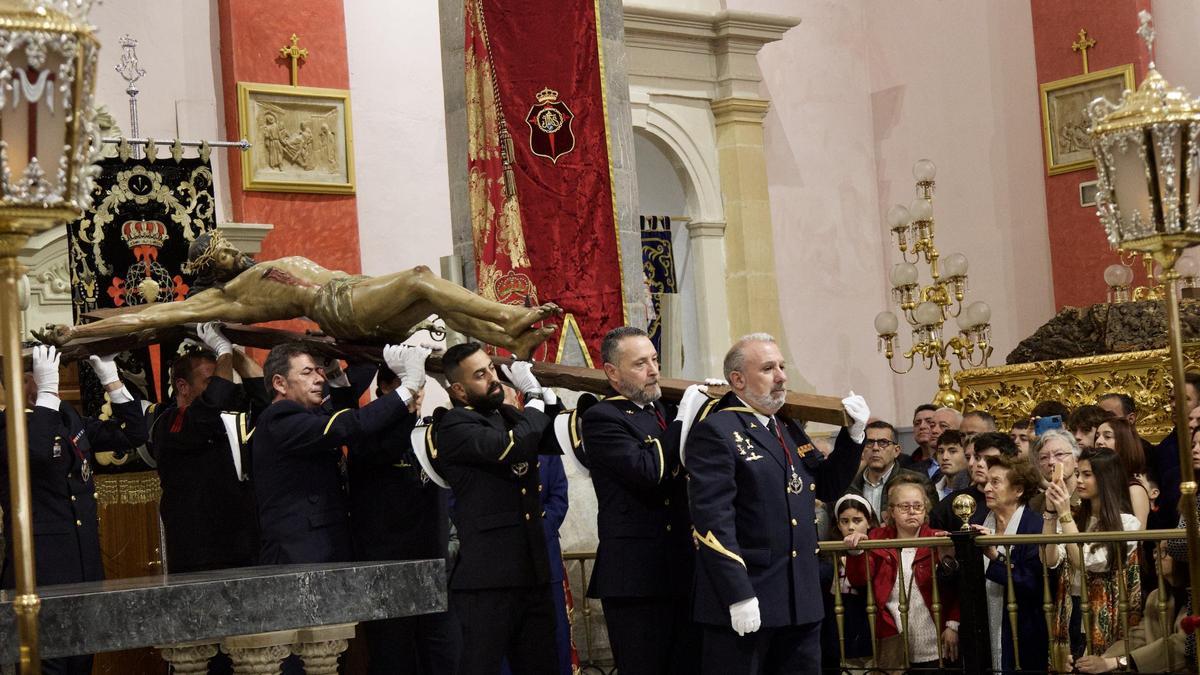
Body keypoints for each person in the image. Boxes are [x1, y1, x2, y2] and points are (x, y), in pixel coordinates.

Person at [40, 230, 562, 359]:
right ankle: (510, 316)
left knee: (430, 300)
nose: (231, 253)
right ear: (208, 269)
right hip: (339, 306)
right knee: (422, 277)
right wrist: (78, 332)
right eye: (219, 254)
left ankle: (507, 340)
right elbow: (147, 316)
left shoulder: (255, 269)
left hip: (353, 293)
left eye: (226, 247)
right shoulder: (221, 299)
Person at [685, 333, 870, 675]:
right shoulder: (718, 431)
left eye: (782, 366)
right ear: (738, 380)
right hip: (748, 597)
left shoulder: (785, 426)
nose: (782, 376)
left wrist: (853, 437)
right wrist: (738, 594)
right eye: (768, 368)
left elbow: (826, 485)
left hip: (800, 599)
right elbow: (714, 522)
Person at [0, 346, 148, 675]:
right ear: (24, 381)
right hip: (40, 574)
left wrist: (111, 380)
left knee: (82, 659)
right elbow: (36, 453)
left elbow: (133, 434)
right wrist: (48, 394)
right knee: (47, 664)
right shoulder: (7, 427)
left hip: (84, 567)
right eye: (41, 374)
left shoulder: (67, 417)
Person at [431, 342, 560, 675]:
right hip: (488, 579)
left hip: (530, 570)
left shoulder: (506, 415)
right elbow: (511, 448)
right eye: (480, 374)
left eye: (490, 368)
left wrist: (544, 395)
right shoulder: (454, 425)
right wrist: (531, 397)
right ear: (458, 389)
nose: (492, 377)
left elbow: (553, 437)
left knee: (540, 665)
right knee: (480, 667)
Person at [580, 326, 701, 675]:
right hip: (635, 577)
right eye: (640, 364)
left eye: (655, 360)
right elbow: (650, 470)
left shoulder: (662, 409)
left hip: (680, 568)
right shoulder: (603, 418)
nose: (653, 371)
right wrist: (683, 419)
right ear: (612, 372)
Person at [253, 341, 423, 565]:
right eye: (307, 372)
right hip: (299, 553)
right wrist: (408, 387)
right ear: (280, 383)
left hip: (325, 547)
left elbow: (342, 415)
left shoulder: (306, 416)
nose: (318, 379)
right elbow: (348, 425)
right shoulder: (279, 418)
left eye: (319, 371)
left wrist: (336, 377)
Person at [345, 359, 459, 675]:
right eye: (408, 386)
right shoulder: (367, 432)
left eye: (419, 386)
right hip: (388, 570)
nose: (417, 394)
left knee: (444, 654)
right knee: (394, 658)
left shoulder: (428, 429)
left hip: (433, 565)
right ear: (385, 389)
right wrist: (403, 408)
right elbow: (382, 451)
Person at [149, 323, 266, 574]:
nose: (222, 385)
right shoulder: (171, 422)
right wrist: (222, 351)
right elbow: (210, 407)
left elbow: (265, 396)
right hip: (200, 553)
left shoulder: (227, 406)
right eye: (210, 380)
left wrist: (233, 351)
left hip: (245, 544)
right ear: (183, 387)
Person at [843, 476, 960, 673]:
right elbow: (858, 579)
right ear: (892, 511)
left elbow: (955, 587)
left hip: (935, 637)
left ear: (926, 510)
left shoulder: (938, 538)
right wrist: (857, 551)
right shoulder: (876, 538)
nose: (912, 511)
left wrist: (952, 624)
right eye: (904, 507)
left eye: (918, 506)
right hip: (893, 639)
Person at [1044, 448, 1142, 658]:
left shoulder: (1127, 523)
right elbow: (1049, 559)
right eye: (1078, 473)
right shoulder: (1076, 518)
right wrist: (1051, 513)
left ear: (1106, 478)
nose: (1078, 480)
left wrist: (1064, 514)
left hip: (1104, 610)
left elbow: (1085, 561)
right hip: (1070, 606)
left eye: (1087, 475)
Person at [971, 454, 1048, 673]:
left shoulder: (1035, 526)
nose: (986, 488)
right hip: (987, 623)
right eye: (986, 482)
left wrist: (996, 557)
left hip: (1025, 628)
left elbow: (1033, 583)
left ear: (1018, 491)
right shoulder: (981, 522)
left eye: (995, 482)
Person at [825, 495, 877, 670]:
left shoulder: (876, 548)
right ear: (837, 524)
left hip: (867, 629)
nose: (851, 527)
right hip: (837, 630)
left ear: (869, 522)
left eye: (857, 520)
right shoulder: (827, 554)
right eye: (844, 521)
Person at [845, 420, 935, 519]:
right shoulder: (848, 486)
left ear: (896, 451)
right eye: (869, 442)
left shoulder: (918, 482)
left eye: (883, 442)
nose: (875, 448)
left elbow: (929, 521)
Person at [930, 432, 1018, 531]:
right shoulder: (954, 503)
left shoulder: (1022, 498)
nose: (979, 464)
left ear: (1008, 462)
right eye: (977, 458)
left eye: (988, 459)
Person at [1094, 417, 1151, 527]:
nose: (1098, 442)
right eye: (1097, 436)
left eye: (1107, 436)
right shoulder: (1096, 483)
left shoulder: (1134, 490)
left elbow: (1137, 538)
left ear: (1124, 443)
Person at [1028, 429, 1081, 516]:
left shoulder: (1089, 497)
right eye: (1044, 457)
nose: (1051, 462)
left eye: (1059, 454)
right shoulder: (1035, 504)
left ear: (1076, 460)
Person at [933, 430, 970, 500]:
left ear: (967, 455)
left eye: (952, 451)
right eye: (941, 452)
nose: (944, 457)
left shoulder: (974, 490)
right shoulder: (931, 490)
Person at [906, 404, 937, 470]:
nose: (922, 426)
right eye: (917, 423)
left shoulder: (948, 461)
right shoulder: (906, 464)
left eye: (929, 422)